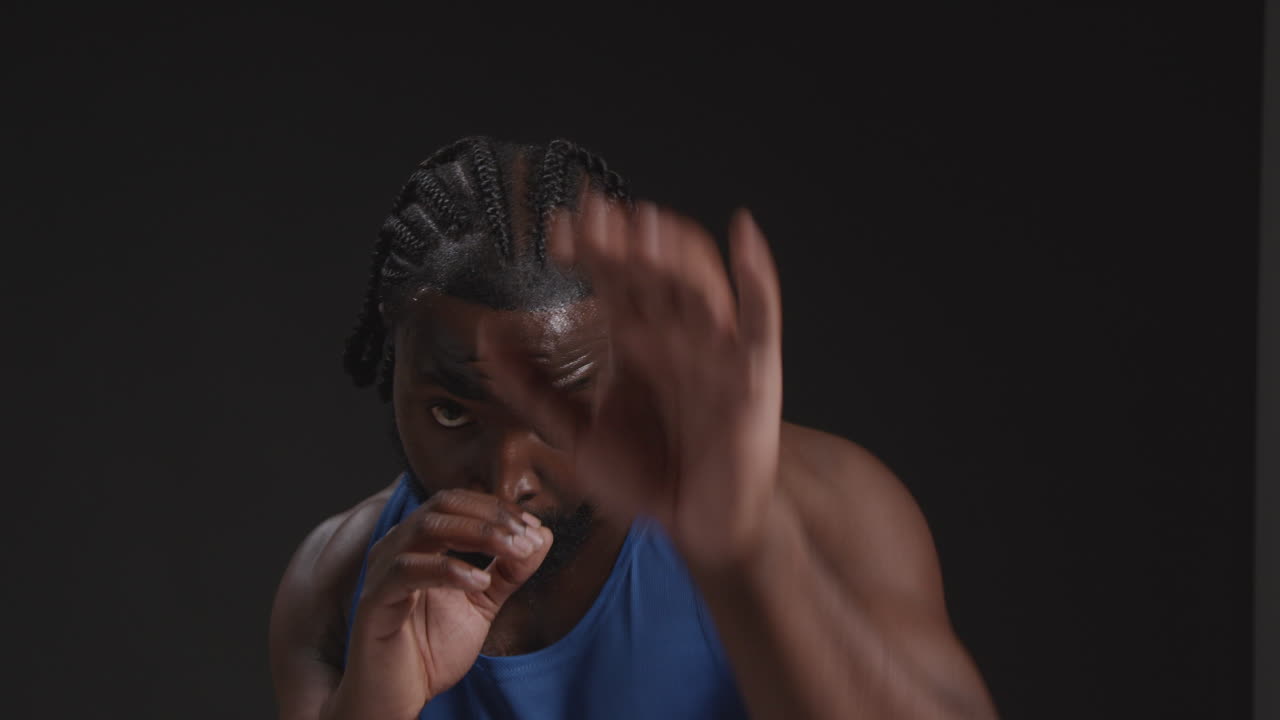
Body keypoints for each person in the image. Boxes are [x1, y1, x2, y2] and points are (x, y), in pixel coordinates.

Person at [268, 136, 998, 719]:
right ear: (389, 366)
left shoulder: (831, 510)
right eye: (450, 412)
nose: (506, 480)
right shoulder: (339, 586)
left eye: (563, 414)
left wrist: (749, 556)